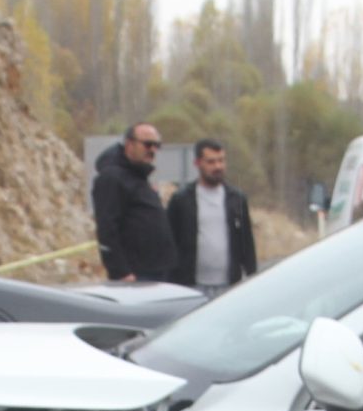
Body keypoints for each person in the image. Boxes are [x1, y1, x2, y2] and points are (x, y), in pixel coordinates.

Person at [166, 138, 257, 293]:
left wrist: (252, 276)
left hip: (229, 284)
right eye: (211, 162)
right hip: (190, 285)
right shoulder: (181, 199)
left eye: (221, 161)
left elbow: (246, 241)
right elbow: (170, 241)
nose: (218, 166)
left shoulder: (236, 199)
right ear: (198, 163)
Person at [91, 124, 176, 282]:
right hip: (135, 274)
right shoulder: (112, 178)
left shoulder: (138, 176)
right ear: (129, 144)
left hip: (157, 270)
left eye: (157, 145)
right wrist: (120, 271)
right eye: (147, 144)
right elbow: (107, 228)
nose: (152, 150)